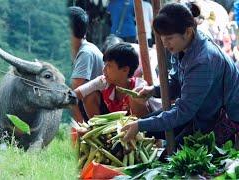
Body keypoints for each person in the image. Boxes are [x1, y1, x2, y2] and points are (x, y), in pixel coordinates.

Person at [121, 2, 239, 146]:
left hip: (220, 119)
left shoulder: (203, 60)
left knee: (167, 154)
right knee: (149, 131)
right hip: (197, 111)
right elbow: (177, 84)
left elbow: (184, 111)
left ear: (188, 32)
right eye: (162, 38)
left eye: (169, 38)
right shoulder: (183, 46)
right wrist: (154, 91)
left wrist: (141, 125)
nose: (165, 44)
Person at [75, 42, 150, 118]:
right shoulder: (103, 81)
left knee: (135, 98)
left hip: (139, 125)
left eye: (109, 66)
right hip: (117, 125)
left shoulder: (139, 86)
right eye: (105, 64)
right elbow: (77, 93)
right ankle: (96, 126)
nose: (103, 69)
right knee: (89, 95)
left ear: (125, 70)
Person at [68, 6, 104, 122]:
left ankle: (87, 131)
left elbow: (72, 96)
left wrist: (80, 127)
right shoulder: (80, 50)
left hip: (100, 109)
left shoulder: (85, 53)